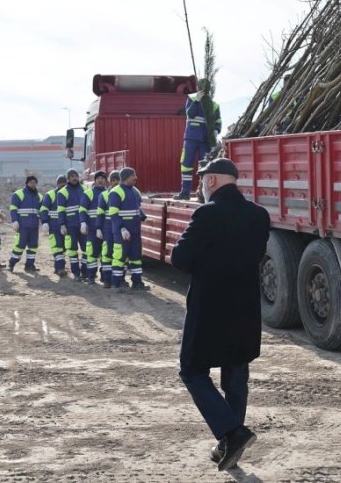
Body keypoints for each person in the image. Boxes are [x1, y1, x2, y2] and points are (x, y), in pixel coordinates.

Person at [170, 158, 270, 471]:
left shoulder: (207, 213)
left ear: (211, 180)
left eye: (202, 181)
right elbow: (255, 256)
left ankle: (232, 433)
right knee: (236, 373)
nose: (200, 186)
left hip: (210, 309)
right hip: (246, 309)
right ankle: (231, 442)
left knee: (192, 370)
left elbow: (180, 258)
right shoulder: (259, 215)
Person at [174, 79, 222, 200]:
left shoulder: (214, 104)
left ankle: (204, 194)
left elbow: (218, 121)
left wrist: (216, 130)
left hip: (205, 139)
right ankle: (185, 192)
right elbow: (190, 114)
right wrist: (197, 101)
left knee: (205, 166)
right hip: (191, 138)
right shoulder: (192, 99)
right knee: (186, 165)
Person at [108, 167, 148, 292]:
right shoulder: (116, 192)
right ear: (125, 177)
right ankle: (116, 284)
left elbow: (137, 208)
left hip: (135, 232)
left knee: (136, 257)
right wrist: (122, 229)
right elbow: (114, 214)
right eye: (133, 175)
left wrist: (143, 217)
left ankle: (137, 283)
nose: (135, 177)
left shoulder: (135, 191)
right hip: (123, 233)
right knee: (119, 258)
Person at [8, 175, 44, 273]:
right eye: (31, 182)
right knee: (20, 245)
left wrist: (45, 222)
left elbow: (42, 211)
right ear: (27, 183)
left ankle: (29, 265)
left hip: (34, 226)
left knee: (33, 246)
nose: (33, 184)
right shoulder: (18, 194)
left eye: (34, 182)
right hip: (22, 226)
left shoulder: (39, 196)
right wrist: (14, 221)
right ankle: (11, 263)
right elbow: (13, 209)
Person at [57, 169, 87, 282]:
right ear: (68, 178)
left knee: (86, 250)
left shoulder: (85, 189)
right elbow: (60, 211)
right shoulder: (62, 192)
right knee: (73, 250)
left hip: (83, 225)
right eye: (72, 176)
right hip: (70, 227)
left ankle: (85, 272)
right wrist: (62, 225)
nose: (74, 178)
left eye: (76, 176)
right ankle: (76, 273)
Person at [81, 170, 107, 285]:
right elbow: (82, 210)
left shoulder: (108, 193)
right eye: (99, 178)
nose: (101, 180)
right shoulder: (88, 193)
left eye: (103, 178)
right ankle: (91, 276)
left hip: (105, 229)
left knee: (105, 254)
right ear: (95, 180)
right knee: (92, 253)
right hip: (92, 229)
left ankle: (104, 277)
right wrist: (83, 223)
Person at [95, 171, 120, 286]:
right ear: (110, 181)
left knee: (119, 255)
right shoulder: (104, 195)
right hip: (108, 228)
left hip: (120, 228)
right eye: (113, 180)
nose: (115, 182)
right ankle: (106, 279)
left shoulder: (123, 193)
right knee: (107, 253)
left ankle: (120, 279)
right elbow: (100, 213)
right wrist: (98, 228)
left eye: (117, 179)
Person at [41, 175, 67, 277]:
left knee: (63, 249)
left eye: (64, 184)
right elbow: (44, 209)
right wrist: (45, 222)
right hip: (54, 226)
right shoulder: (50, 195)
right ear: (57, 184)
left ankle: (57, 267)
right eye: (61, 184)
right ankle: (60, 268)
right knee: (57, 248)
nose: (62, 186)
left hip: (65, 226)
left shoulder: (67, 194)